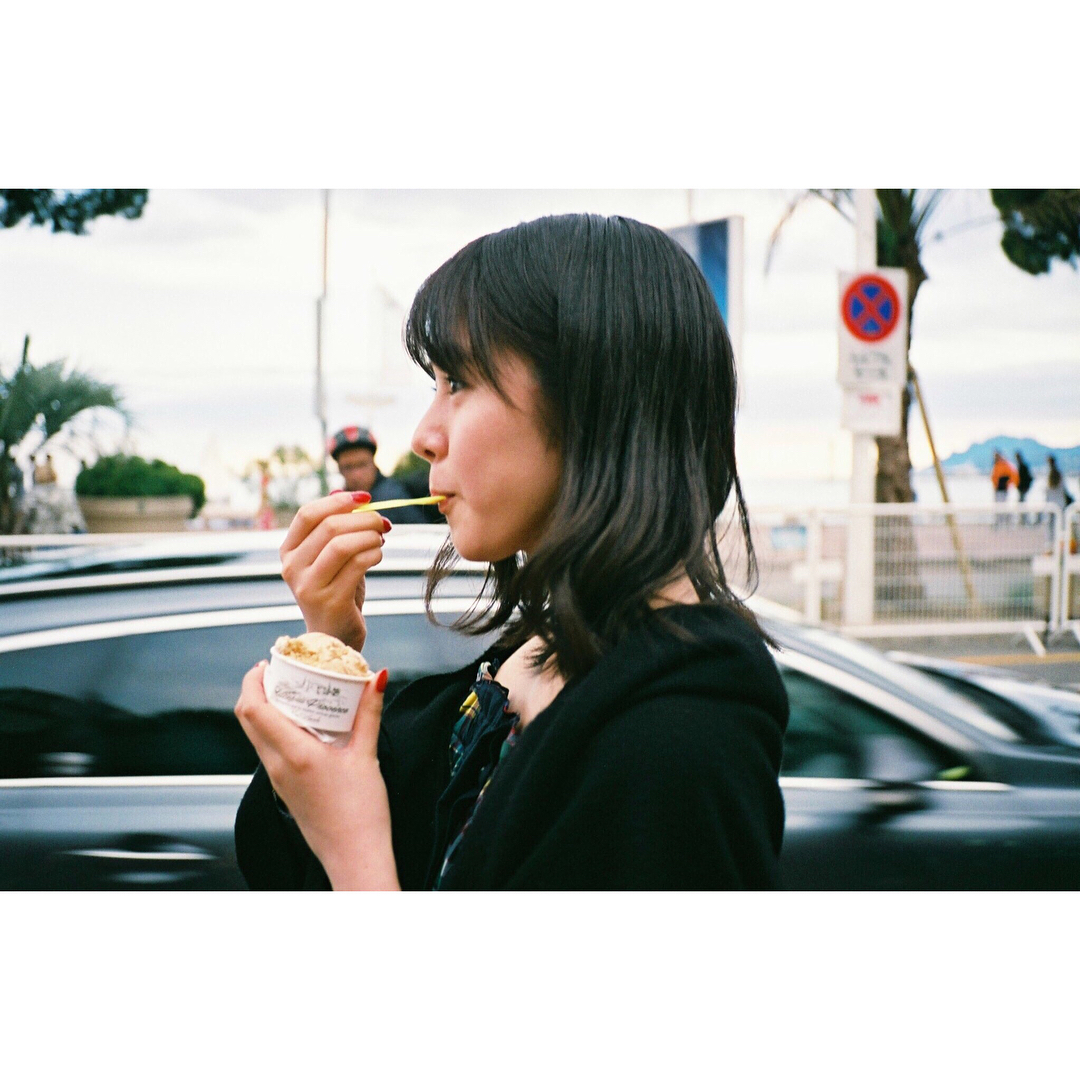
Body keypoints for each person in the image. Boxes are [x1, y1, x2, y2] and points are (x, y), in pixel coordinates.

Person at [233, 214, 789, 891]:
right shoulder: (533, 656)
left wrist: (355, 851)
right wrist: (330, 649)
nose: (424, 436)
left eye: (458, 383)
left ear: (590, 398)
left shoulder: (682, 736)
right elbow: (288, 863)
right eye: (434, 386)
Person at [326, 425, 430, 524]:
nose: (357, 474)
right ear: (339, 469)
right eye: (348, 467)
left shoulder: (395, 496)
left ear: (373, 463)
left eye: (362, 464)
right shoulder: (337, 505)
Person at [1046, 454, 1075, 547]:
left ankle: (1051, 545)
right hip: (1060, 503)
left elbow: (1046, 491)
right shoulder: (1059, 474)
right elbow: (1064, 489)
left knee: (1050, 526)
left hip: (1051, 504)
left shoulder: (1048, 475)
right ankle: (1061, 544)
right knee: (1061, 525)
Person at [991, 450, 1018, 527]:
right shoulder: (996, 465)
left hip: (1003, 489)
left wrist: (1007, 484)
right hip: (998, 489)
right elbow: (994, 477)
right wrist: (996, 485)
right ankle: (999, 522)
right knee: (998, 506)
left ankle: (1006, 522)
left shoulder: (1004, 465)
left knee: (1003, 506)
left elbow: (1012, 476)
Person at [1015, 451, 1033, 524]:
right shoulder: (1020, 466)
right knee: (1021, 503)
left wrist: (1026, 487)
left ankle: (1023, 520)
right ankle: (1022, 519)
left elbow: (1029, 478)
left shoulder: (1022, 467)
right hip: (1021, 489)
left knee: (1022, 504)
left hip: (1023, 489)